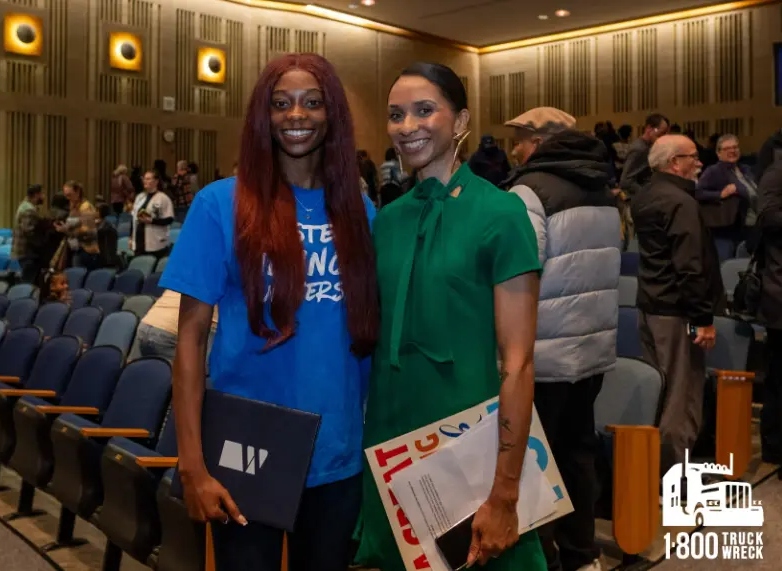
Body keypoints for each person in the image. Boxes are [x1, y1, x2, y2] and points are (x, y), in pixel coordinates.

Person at [160, 53, 379, 571]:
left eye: (311, 102)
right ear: (264, 114)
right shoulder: (221, 204)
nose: (296, 115)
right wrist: (192, 464)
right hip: (248, 449)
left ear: (333, 115)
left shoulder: (360, 213)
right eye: (281, 104)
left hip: (337, 456)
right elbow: (189, 338)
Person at [355, 62, 545, 571]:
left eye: (424, 110)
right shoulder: (388, 218)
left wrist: (505, 492)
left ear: (460, 121)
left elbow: (519, 364)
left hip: (472, 453)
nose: (406, 125)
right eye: (396, 114)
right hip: (393, 443)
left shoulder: (501, 214)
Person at [503, 107, 620, 571]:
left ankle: (542, 557)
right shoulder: (604, 189)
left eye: (519, 139)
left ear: (540, 141)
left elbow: (519, 268)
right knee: (577, 453)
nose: (513, 149)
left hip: (545, 353)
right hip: (591, 349)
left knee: (536, 461)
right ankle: (581, 554)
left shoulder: (529, 192)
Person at [631, 134, 724, 477]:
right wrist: (703, 319)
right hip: (676, 312)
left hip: (650, 306)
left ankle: (659, 471)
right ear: (674, 163)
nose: (699, 163)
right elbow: (690, 266)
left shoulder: (645, 195)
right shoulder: (681, 203)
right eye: (692, 157)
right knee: (681, 397)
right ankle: (675, 476)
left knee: (662, 391)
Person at [756, 160, 782, 467]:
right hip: (778, 292)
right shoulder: (775, 173)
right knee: (778, 380)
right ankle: (775, 449)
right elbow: (768, 217)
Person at [696, 134, 759, 260]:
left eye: (735, 147)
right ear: (718, 153)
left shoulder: (745, 170)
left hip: (752, 227)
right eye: (727, 148)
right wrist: (720, 194)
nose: (732, 151)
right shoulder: (714, 171)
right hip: (729, 231)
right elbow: (697, 192)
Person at [619, 113, 670, 198]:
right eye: (660, 134)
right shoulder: (639, 149)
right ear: (649, 128)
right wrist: (647, 195)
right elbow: (626, 180)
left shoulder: (648, 146)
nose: (662, 138)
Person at [131, 169, 175, 259]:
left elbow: (169, 219)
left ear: (156, 181)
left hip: (155, 241)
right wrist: (130, 236)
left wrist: (152, 220)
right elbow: (133, 218)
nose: (145, 181)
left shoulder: (163, 198)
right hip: (139, 241)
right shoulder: (140, 197)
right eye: (144, 178)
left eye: (148, 179)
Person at [12, 184, 46, 284]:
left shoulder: (25, 206)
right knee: (29, 282)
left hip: (25, 252)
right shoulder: (28, 209)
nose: (43, 197)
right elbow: (29, 231)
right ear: (36, 195)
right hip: (28, 252)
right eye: (42, 194)